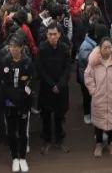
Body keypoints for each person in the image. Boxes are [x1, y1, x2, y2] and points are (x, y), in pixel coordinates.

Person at [85, 37, 112, 158]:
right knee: (98, 122)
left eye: (109, 47)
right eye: (105, 47)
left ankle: (111, 143)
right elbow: (88, 76)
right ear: (100, 48)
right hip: (99, 97)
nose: (107, 50)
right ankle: (99, 144)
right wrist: (93, 91)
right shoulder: (94, 62)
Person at [0, 36, 34, 172]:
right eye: (11, 47)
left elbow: (30, 82)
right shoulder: (5, 62)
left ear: (21, 48)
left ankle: (22, 158)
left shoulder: (27, 62)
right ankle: (14, 157)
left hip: (23, 103)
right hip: (9, 103)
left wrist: (21, 97)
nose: (13, 49)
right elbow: (3, 83)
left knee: (23, 132)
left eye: (16, 47)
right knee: (11, 132)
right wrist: (12, 96)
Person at [36, 24, 71, 154]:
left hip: (61, 88)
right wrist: (52, 85)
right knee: (46, 115)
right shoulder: (42, 49)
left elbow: (67, 68)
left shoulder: (65, 48)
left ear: (59, 35)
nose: (52, 37)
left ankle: (59, 139)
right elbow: (40, 69)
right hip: (47, 88)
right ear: (46, 35)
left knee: (59, 115)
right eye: (50, 34)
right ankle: (47, 140)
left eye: (55, 34)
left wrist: (60, 84)